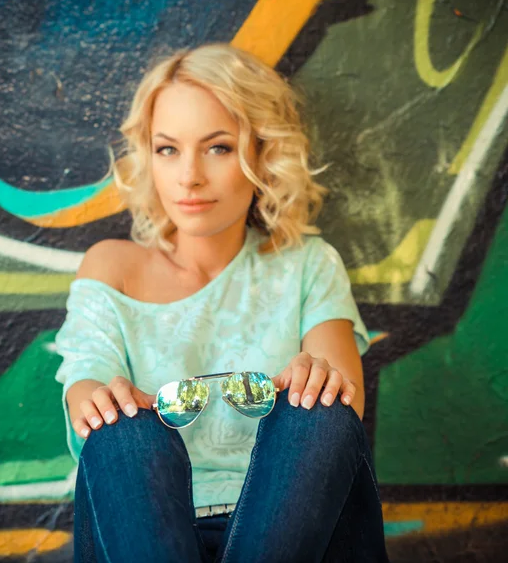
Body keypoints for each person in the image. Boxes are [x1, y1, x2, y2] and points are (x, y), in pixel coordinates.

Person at [54, 42, 390, 562]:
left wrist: (314, 375)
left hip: (292, 531)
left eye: (217, 148)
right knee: (119, 430)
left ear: (261, 151)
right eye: (168, 149)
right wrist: (101, 397)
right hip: (145, 533)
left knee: (322, 409)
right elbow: (83, 390)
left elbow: (339, 419)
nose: (189, 176)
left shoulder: (308, 264)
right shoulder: (110, 266)